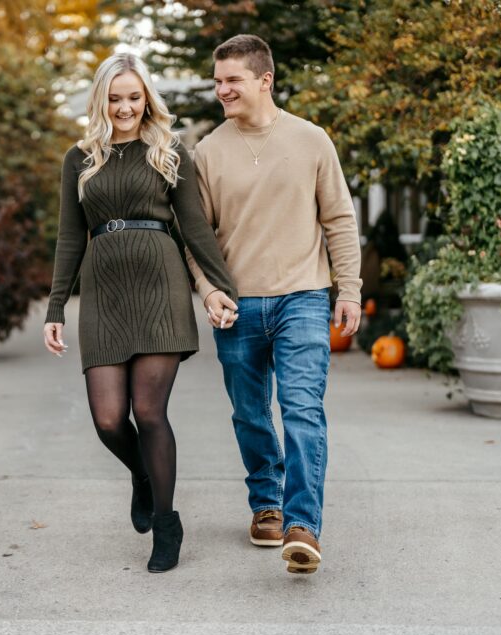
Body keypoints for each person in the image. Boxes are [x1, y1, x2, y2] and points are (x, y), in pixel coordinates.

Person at [43, 53, 238, 573]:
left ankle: (167, 524)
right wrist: (56, 305)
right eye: (115, 98)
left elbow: (195, 228)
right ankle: (143, 475)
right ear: (100, 101)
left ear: (146, 98)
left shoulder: (169, 151)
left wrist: (219, 288)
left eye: (134, 97)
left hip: (160, 284)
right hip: (103, 290)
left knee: (149, 413)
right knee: (109, 420)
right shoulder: (79, 159)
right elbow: (69, 236)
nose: (126, 107)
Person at [187, 35, 362, 575]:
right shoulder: (208, 152)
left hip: (303, 299)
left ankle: (302, 523)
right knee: (249, 413)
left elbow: (338, 219)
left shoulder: (311, 141)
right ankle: (266, 500)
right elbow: (200, 238)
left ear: (265, 80)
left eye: (232, 80)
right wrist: (209, 290)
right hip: (237, 306)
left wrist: (349, 289)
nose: (222, 90)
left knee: (303, 410)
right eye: (217, 81)